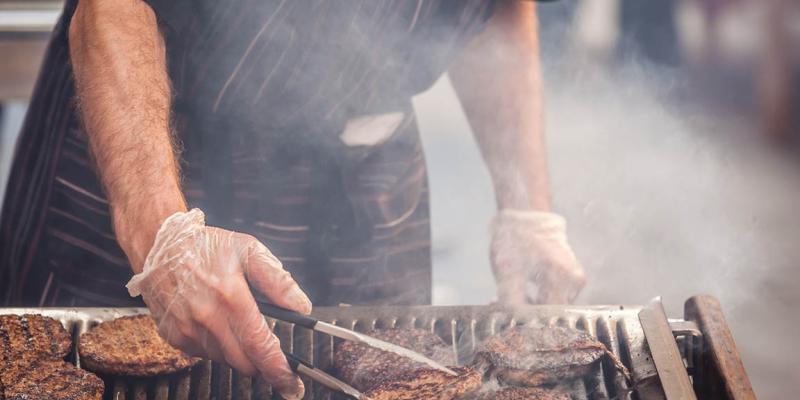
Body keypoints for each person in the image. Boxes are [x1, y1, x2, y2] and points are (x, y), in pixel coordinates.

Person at [0, 1, 585, 398]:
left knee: (388, 372)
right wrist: (164, 235)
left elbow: (494, 10)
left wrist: (527, 209)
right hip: (159, 148)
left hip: (365, 169)